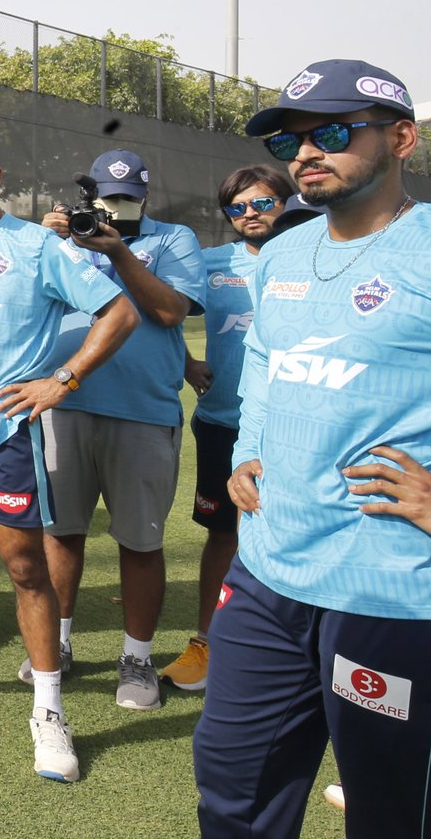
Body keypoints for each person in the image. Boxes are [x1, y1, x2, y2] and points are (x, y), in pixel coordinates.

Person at [196, 59, 431, 838]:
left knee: (391, 813)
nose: (307, 153)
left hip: (391, 590)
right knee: (233, 791)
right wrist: (248, 450)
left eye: (332, 133)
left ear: (401, 138)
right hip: (269, 572)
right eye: (294, 139)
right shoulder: (285, 257)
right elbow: (266, 363)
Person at [0, 135, 139, 783]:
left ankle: (48, 710)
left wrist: (61, 380)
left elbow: (119, 311)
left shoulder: (37, 246)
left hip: (6, 434)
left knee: (23, 568)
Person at [37, 149, 208, 711]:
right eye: (107, 203)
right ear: (91, 202)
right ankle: (57, 645)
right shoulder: (63, 240)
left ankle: (136, 658)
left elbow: (169, 313)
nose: (117, 212)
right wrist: (51, 240)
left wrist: (119, 252)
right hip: (64, 401)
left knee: (140, 541)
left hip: (143, 410)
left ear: (146, 196)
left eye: (128, 200)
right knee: (61, 532)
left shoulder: (173, 239)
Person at [158, 163, 293, 693]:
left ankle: (285, 653)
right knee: (223, 535)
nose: (249, 215)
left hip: (292, 430)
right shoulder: (211, 264)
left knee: (289, 534)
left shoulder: (315, 260)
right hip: (222, 424)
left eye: (262, 203)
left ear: (288, 201)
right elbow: (157, 309)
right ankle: (208, 644)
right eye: (237, 208)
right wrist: (188, 363)